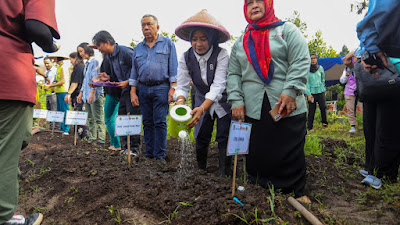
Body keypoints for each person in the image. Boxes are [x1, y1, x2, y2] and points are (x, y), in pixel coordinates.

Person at [227, 0, 310, 202]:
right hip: (253, 104)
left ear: (268, 4)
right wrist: (236, 99)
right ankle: (260, 191)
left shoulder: (287, 30)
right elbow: (233, 74)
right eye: (249, 3)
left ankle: (297, 191)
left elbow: (300, 59)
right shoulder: (241, 41)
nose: (254, 5)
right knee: (258, 149)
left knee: (289, 146)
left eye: (259, 1)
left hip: (284, 101)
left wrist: (291, 90)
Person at [0, 0, 59, 224]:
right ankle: (3, 217)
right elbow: (37, 27)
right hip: (7, 72)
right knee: (6, 148)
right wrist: (52, 47)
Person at [174, 10, 232, 176]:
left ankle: (224, 173)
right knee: (201, 134)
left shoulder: (221, 54)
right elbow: (183, 85)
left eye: (203, 38)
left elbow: (219, 84)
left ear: (211, 39)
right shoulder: (185, 57)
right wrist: (179, 101)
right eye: (194, 39)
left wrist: (203, 107)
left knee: (223, 134)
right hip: (200, 97)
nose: (198, 43)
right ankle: (200, 171)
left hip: (222, 99)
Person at [355, 0, 400, 189]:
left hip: (391, 66)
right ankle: (375, 168)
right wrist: (369, 51)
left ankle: (384, 172)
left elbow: (382, 10)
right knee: (375, 124)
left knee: (387, 126)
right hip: (387, 67)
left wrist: (370, 49)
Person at [129, 14, 178, 162]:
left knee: (160, 122)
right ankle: (149, 154)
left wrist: (173, 88)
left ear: (157, 26)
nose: (145, 28)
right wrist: (133, 92)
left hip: (161, 87)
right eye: (143, 25)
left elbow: (173, 68)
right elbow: (134, 71)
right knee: (147, 122)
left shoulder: (168, 44)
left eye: (149, 24)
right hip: (143, 88)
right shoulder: (138, 48)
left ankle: (160, 155)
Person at [91, 30, 140, 153]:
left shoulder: (126, 52)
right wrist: (108, 78)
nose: (98, 49)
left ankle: (134, 149)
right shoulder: (111, 57)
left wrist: (128, 82)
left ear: (107, 42)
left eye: (99, 45)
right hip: (123, 92)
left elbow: (140, 69)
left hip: (133, 91)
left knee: (132, 119)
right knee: (122, 118)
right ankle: (125, 148)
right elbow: (118, 76)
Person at [77, 42, 106, 148]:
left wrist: (92, 92)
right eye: (79, 52)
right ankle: (92, 138)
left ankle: (101, 140)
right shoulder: (86, 65)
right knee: (90, 118)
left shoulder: (95, 62)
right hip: (87, 95)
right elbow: (85, 81)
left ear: (87, 50)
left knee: (98, 118)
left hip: (95, 95)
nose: (80, 54)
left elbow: (95, 80)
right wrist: (81, 93)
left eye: (81, 51)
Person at [65, 52, 89, 140]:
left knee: (79, 116)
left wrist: (68, 94)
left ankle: (83, 136)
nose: (70, 61)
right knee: (78, 116)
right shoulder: (80, 67)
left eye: (70, 59)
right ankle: (80, 136)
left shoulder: (79, 68)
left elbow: (75, 83)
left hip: (79, 95)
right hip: (78, 95)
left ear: (75, 58)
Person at [45, 56, 70, 135]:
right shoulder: (59, 67)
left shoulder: (63, 68)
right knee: (60, 110)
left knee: (64, 110)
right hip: (58, 91)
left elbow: (63, 81)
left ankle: (66, 129)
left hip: (63, 91)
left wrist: (51, 85)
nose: (54, 60)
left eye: (55, 58)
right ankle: (61, 128)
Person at [339, 56, 363, 133]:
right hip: (349, 91)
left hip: (361, 90)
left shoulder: (361, 67)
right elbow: (342, 81)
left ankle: (366, 124)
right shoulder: (346, 69)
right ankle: (352, 125)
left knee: (363, 108)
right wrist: (346, 75)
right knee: (350, 109)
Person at [306, 53, 328, 130]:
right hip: (311, 93)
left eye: (314, 58)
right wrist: (308, 94)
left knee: (323, 107)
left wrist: (322, 87)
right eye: (311, 58)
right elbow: (306, 83)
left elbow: (323, 79)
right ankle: (309, 126)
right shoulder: (307, 70)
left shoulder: (320, 68)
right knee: (312, 109)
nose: (313, 60)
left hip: (320, 91)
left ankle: (324, 123)